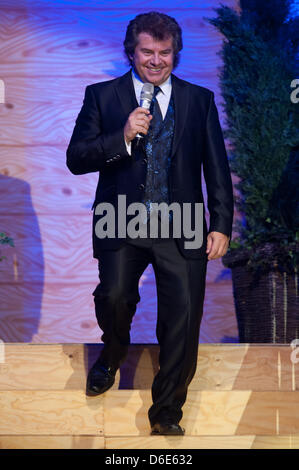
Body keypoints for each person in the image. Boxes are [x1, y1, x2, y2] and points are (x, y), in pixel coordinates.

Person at [66, 11, 234, 436]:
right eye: (147, 51)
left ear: (175, 53)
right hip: (119, 220)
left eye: (164, 52)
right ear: (131, 51)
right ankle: (113, 351)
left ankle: (166, 413)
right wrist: (121, 136)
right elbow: (76, 158)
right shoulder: (102, 96)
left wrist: (221, 224)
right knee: (115, 296)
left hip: (184, 223)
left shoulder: (199, 99)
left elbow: (216, 165)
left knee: (183, 316)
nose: (156, 60)